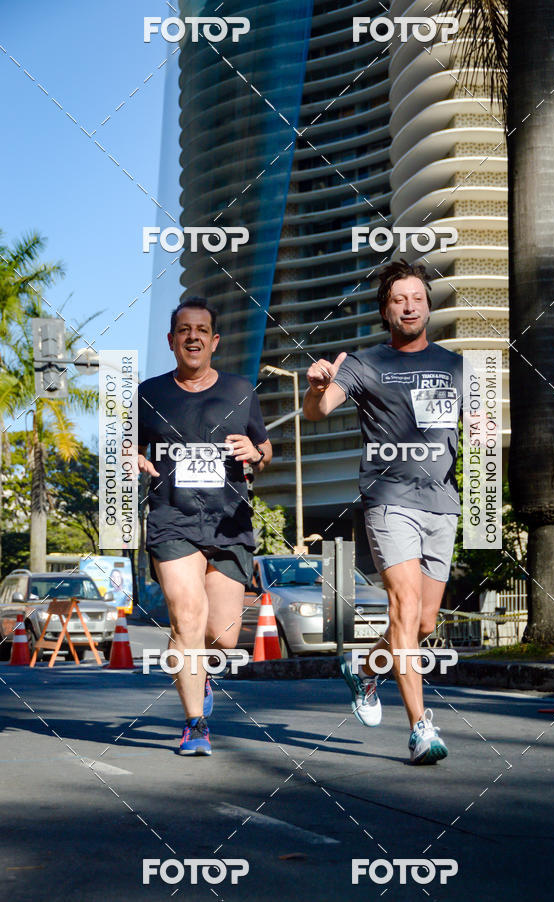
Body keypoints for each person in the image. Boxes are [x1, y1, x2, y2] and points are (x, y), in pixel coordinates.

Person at [303, 260, 462, 765]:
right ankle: (420, 727)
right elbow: (319, 409)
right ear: (385, 310)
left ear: (428, 306)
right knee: (405, 608)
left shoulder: (458, 366)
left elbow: (476, 425)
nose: (409, 305)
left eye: (417, 297)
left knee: (422, 624)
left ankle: (367, 669)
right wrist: (314, 384)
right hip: (389, 498)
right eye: (399, 299)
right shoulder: (364, 362)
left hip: (443, 502)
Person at [136, 297, 272, 755]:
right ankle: (195, 724)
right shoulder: (147, 393)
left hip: (229, 523)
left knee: (223, 635)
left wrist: (256, 454)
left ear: (214, 341)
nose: (192, 336)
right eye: (183, 330)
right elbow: (123, 448)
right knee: (187, 615)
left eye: (201, 330)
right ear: (171, 340)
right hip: (171, 519)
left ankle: (204, 668)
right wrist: (130, 457)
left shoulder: (239, 390)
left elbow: (265, 449)